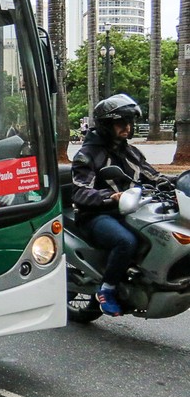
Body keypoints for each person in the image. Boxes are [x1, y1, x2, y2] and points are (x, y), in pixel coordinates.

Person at [71, 94, 172, 316]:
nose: (127, 127)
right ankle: (107, 290)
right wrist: (111, 196)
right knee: (126, 241)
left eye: (130, 122)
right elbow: (80, 191)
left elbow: (152, 176)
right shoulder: (87, 155)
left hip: (131, 210)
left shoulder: (131, 152)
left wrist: (173, 185)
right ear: (107, 125)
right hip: (96, 215)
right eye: (121, 122)